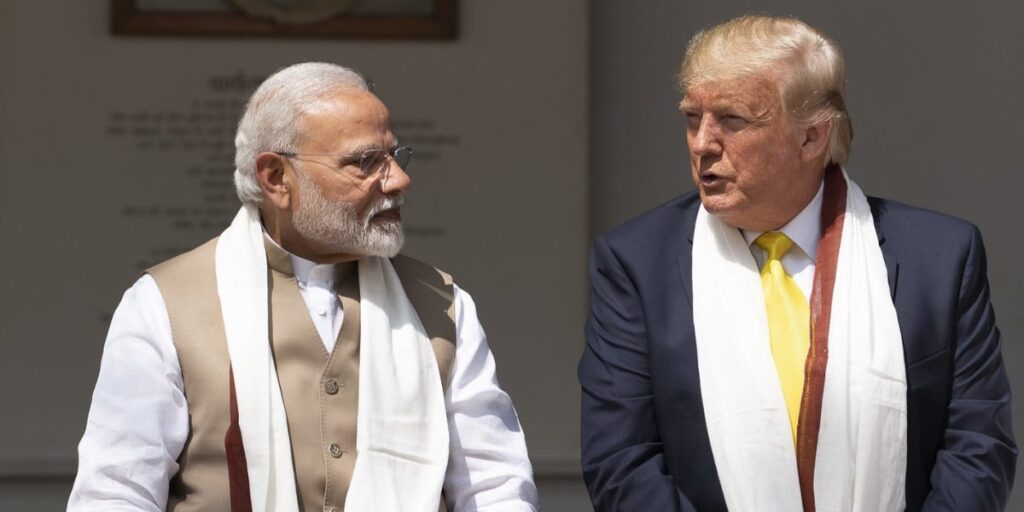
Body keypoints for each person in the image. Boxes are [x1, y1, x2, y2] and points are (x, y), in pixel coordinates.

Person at [579, 15, 1016, 512]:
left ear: (811, 138)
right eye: (691, 117)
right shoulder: (637, 264)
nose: (702, 143)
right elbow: (621, 462)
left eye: (732, 119)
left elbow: (978, 449)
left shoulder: (938, 259)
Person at [69, 62, 538, 512]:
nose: (398, 179)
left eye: (394, 156)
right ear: (275, 178)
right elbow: (116, 492)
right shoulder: (166, 303)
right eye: (365, 162)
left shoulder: (442, 305)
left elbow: (494, 487)